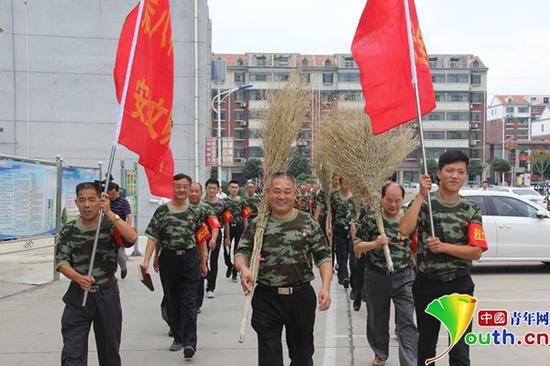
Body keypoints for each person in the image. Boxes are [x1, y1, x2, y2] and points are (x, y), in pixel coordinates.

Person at [399, 150, 488, 366]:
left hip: (459, 285)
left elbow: (476, 251)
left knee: (459, 351)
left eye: (460, 172)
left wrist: (444, 247)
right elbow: (403, 229)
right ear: (439, 173)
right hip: (427, 284)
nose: (454, 176)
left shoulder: (471, 209)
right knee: (427, 348)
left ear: (466, 176)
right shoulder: (425, 205)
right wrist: (420, 195)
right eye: (449, 170)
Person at [234, 172, 332, 366]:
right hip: (266, 297)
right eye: (276, 191)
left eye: (287, 192)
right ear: (268, 193)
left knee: (302, 357)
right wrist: (243, 269)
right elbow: (241, 252)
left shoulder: (307, 222)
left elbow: (324, 256)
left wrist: (326, 287)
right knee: (269, 358)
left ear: (295, 194)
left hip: (300, 297)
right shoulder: (258, 224)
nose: (281, 196)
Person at [56, 182, 137, 366]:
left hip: (106, 296)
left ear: (100, 200)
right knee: (72, 354)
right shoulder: (69, 229)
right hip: (78, 297)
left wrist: (109, 213)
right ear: (76, 202)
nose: (86, 205)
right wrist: (78, 278)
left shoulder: (110, 224)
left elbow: (131, 238)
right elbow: (61, 261)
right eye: (82, 200)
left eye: (92, 199)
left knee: (109, 353)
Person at [141, 174, 208, 360]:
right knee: (171, 299)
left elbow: (201, 239)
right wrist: (147, 260)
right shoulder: (162, 211)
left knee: (189, 302)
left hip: (189, 259)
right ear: (172, 188)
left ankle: (189, 343)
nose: (181, 190)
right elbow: (153, 237)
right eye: (177, 186)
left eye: (185, 187)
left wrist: (203, 262)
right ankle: (178, 336)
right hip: (168, 259)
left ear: (189, 189)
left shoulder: (195, 212)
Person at [355, 183, 418, 366]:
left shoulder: (408, 216)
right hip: (377, 276)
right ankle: (380, 353)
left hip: (404, 276)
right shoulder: (371, 218)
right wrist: (375, 243)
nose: (393, 205)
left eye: (397, 201)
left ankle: (409, 360)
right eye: (389, 200)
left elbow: (416, 241)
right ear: (381, 199)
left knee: (406, 319)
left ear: (403, 200)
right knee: (377, 319)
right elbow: (357, 245)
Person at [189, 182, 220, 312]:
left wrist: (213, 239)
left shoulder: (206, 208)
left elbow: (215, 225)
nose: (194, 194)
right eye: (191, 191)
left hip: (201, 246)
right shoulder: (181, 207)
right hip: (185, 247)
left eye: (197, 191)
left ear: (201, 193)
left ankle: (196, 303)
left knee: (200, 273)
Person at [203, 178, 229, 298]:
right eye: (210, 188)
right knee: (203, 260)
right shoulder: (201, 203)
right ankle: (202, 280)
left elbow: (227, 222)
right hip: (202, 235)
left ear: (218, 189)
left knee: (213, 261)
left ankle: (211, 287)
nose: (212, 190)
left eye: (214, 188)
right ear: (206, 189)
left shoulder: (223, 204)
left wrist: (227, 238)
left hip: (217, 234)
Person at [328, 177, 355, 288]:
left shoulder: (353, 197)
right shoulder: (334, 196)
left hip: (351, 228)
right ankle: (344, 277)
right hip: (339, 228)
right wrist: (329, 226)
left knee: (350, 253)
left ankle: (349, 276)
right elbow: (330, 213)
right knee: (341, 253)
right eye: (344, 183)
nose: (346, 186)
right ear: (340, 183)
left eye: (348, 183)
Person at [223, 180, 249, 282]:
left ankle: (234, 272)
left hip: (239, 226)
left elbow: (245, 215)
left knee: (236, 250)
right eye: (232, 187)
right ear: (229, 188)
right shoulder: (224, 201)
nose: (234, 189)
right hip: (228, 226)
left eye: (236, 187)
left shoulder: (242, 201)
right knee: (226, 249)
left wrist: (246, 229)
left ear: (238, 189)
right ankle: (229, 265)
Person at [107, 182, 133, 279]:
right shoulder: (106, 201)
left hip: (119, 231)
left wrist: (127, 229)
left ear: (118, 192)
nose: (111, 196)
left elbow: (129, 216)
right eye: (109, 194)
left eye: (113, 194)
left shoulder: (123, 202)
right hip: (106, 230)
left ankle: (123, 268)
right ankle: (109, 275)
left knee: (119, 254)